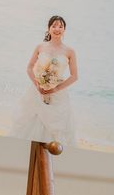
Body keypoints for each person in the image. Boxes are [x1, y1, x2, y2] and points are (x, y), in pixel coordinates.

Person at [10, 15, 78, 145]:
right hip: (37, 91)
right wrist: (37, 85)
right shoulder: (40, 47)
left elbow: (74, 76)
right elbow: (29, 68)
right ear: (48, 28)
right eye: (54, 26)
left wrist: (56, 88)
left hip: (57, 94)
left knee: (55, 132)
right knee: (31, 123)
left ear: (64, 30)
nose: (57, 29)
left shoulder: (70, 51)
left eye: (60, 26)